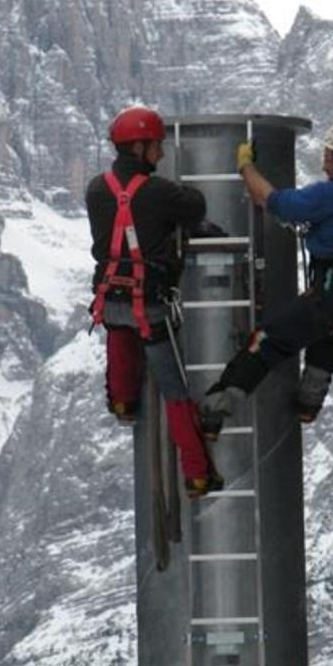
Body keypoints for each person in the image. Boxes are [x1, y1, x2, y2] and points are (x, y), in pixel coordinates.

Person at [200, 117, 333, 438]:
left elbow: (270, 201)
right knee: (328, 332)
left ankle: (215, 406)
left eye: (330, 155)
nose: (325, 162)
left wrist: (246, 166)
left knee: (270, 339)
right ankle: (308, 403)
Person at [87, 105, 224, 498]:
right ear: (141, 147)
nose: (161, 154)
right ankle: (198, 473)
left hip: (109, 296)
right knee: (174, 388)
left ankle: (123, 402)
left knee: (119, 335)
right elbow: (194, 206)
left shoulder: (96, 189)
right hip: (149, 303)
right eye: (157, 147)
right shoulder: (161, 192)